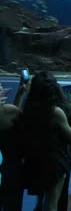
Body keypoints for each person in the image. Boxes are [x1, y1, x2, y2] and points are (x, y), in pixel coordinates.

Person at [21, 72, 71, 211]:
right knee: (52, 201)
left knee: (42, 199)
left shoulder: (28, 107)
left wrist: (22, 92)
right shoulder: (56, 112)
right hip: (54, 163)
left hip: (35, 159)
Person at [0, 80, 28, 211]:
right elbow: (18, 116)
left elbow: (12, 118)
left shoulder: (5, 113)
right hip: (12, 169)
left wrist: (19, 94)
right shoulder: (6, 112)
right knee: (12, 204)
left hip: (5, 166)